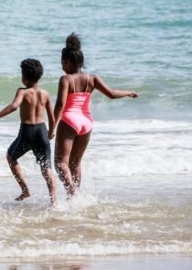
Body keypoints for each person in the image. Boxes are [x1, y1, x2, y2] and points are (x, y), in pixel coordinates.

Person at [53, 33, 137, 196]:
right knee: (75, 164)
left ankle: (72, 194)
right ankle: (77, 196)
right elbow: (112, 94)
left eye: (62, 62)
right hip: (87, 121)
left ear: (68, 62)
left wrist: (52, 127)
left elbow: (60, 104)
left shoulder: (66, 79)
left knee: (60, 164)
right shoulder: (92, 78)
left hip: (70, 119)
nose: (61, 65)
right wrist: (128, 92)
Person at [0, 58, 57, 205]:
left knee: (11, 157)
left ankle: (25, 189)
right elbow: (52, 116)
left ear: (24, 77)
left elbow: (14, 106)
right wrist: (51, 132)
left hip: (27, 131)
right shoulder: (45, 94)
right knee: (46, 167)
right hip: (42, 131)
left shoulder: (22, 92)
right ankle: (54, 201)